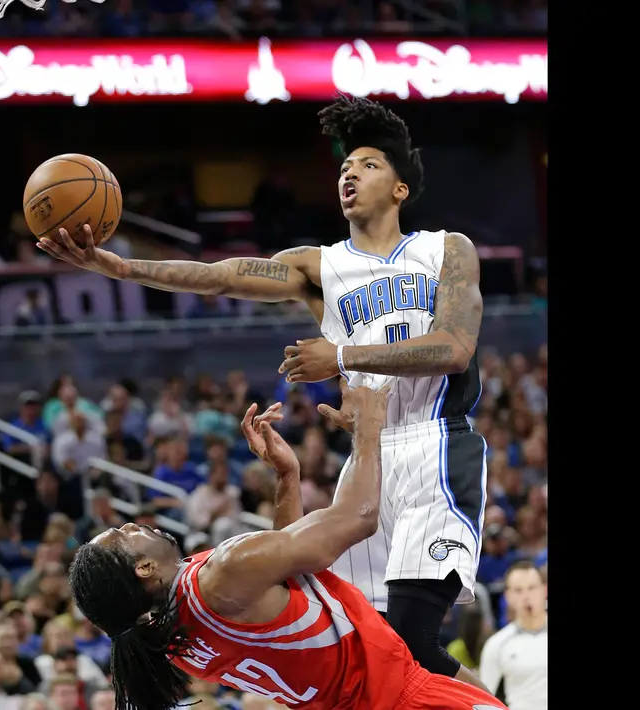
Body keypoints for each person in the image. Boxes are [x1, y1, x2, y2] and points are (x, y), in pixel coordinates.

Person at [38, 94, 488, 688]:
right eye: (344, 166)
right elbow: (221, 276)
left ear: (402, 188)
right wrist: (124, 269)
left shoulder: (445, 250)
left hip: (435, 444)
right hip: (369, 457)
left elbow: (455, 347)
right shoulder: (318, 267)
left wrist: (344, 355)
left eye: (369, 165)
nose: (349, 173)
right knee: (377, 650)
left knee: (411, 636)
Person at [66, 383, 505, 710]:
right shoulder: (222, 576)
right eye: (124, 534)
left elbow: (281, 580)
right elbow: (358, 518)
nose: (131, 524)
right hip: (401, 696)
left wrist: (287, 477)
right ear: (143, 568)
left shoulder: (172, 640)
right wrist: (368, 429)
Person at [478, 561, 547, 710]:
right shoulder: (497, 644)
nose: (526, 596)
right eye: (518, 590)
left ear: (544, 590)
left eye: (532, 588)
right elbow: (482, 700)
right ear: (508, 596)